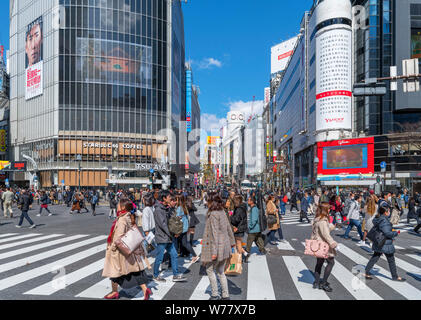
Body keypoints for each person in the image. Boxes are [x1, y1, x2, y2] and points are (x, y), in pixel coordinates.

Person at [102, 198, 152, 300]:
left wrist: (112, 248)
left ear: (123, 207)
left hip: (121, 251)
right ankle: (145, 289)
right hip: (130, 249)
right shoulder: (129, 216)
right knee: (134, 271)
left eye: (119, 204)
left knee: (115, 271)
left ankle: (114, 292)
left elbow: (118, 237)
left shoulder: (122, 219)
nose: (117, 206)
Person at [201, 193, 235, 300]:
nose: (206, 203)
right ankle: (225, 295)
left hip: (217, 248)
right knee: (220, 271)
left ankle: (215, 294)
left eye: (208, 201)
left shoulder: (214, 214)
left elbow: (215, 233)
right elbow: (229, 228)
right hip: (225, 246)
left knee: (209, 269)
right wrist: (232, 242)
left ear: (212, 202)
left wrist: (214, 252)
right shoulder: (222, 212)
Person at [363, 207, 405, 282]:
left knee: (375, 257)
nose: (389, 212)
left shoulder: (379, 219)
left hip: (379, 242)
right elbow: (387, 233)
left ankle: (366, 272)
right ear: (385, 212)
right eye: (388, 211)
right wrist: (396, 232)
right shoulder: (384, 220)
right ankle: (395, 276)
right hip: (385, 243)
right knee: (391, 260)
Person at [153, 191, 186, 283]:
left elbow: (170, 220)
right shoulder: (158, 210)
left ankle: (175, 274)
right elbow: (163, 224)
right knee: (159, 257)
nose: (171, 199)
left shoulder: (167, 208)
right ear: (164, 198)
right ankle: (155, 275)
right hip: (162, 237)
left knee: (174, 255)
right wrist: (172, 233)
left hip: (169, 237)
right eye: (169, 198)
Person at [311, 202, 338, 292]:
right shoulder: (323, 221)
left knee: (319, 263)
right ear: (325, 209)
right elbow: (326, 235)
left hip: (318, 244)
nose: (330, 210)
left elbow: (322, 230)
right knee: (331, 262)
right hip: (323, 245)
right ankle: (323, 283)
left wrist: (332, 226)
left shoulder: (318, 219)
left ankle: (316, 282)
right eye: (329, 208)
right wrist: (333, 244)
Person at [176, 195, 199, 263]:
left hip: (181, 228)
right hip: (185, 227)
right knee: (185, 243)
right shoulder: (184, 207)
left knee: (180, 243)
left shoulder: (179, 208)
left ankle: (193, 255)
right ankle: (193, 255)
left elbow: (176, 218)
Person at [231, 195, 248, 262]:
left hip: (238, 228)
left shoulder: (239, 209)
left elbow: (236, 219)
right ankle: (245, 253)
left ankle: (240, 258)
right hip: (241, 227)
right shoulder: (242, 207)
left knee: (238, 244)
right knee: (238, 243)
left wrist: (230, 217)